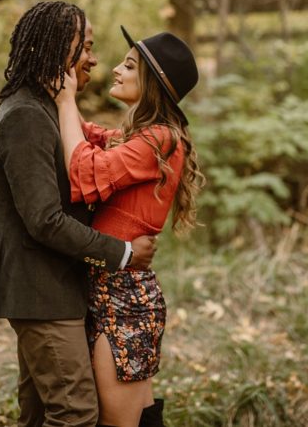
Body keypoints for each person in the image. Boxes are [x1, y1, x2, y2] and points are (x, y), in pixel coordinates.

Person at [0, 1, 159, 427]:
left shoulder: (47, 110)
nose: (95, 59)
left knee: (39, 412)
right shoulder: (25, 117)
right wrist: (124, 253)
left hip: (53, 286)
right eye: (87, 47)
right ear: (57, 50)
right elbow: (44, 220)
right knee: (75, 412)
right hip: (39, 290)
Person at [55, 26, 204, 427]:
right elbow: (90, 136)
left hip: (125, 300)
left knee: (117, 422)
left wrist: (67, 98)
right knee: (137, 416)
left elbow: (86, 169)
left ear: (152, 83)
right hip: (115, 291)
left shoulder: (160, 139)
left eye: (129, 65)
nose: (116, 69)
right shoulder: (139, 136)